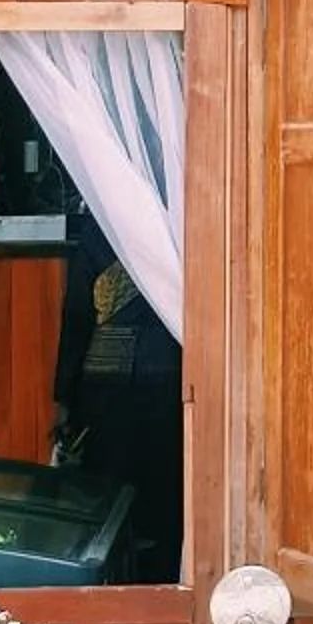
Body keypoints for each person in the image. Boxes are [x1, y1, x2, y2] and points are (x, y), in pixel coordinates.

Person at [52, 195, 182, 576]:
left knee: (109, 502)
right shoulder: (183, 223)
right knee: (168, 499)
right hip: (175, 378)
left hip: (106, 386)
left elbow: (77, 317)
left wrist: (63, 396)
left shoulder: (103, 225)